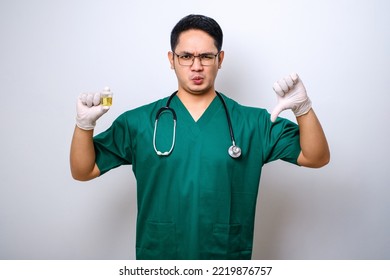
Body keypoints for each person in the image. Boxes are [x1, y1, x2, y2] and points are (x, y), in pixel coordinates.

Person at [70, 14, 330, 260]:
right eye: (186, 56)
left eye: (206, 56)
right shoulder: (138, 122)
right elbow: (84, 170)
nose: (196, 66)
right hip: (160, 261)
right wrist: (84, 126)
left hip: (224, 262)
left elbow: (316, 157)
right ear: (171, 59)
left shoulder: (253, 123)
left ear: (220, 59)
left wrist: (303, 108)